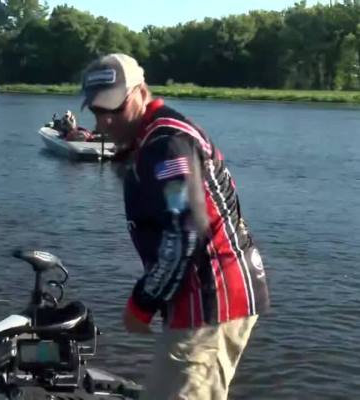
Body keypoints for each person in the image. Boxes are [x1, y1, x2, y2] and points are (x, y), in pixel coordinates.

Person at [80, 53, 270, 400]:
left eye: (114, 109)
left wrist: (143, 302)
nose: (104, 121)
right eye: (96, 111)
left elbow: (184, 232)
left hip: (212, 297)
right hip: (200, 293)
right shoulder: (150, 137)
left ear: (140, 93)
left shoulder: (166, 145)